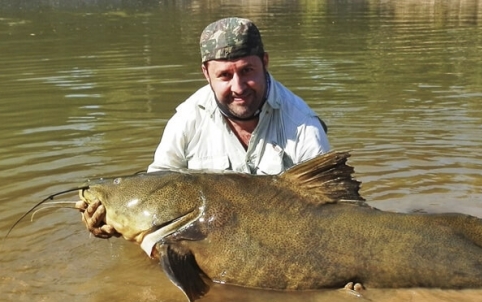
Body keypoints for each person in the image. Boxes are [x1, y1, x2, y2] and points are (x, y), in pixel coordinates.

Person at [76, 17, 330, 238]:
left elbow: (329, 207)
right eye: (225, 76)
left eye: (247, 70)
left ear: (265, 62)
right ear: (206, 74)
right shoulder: (186, 119)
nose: (239, 87)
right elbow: (154, 192)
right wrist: (115, 220)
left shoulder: (303, 125)